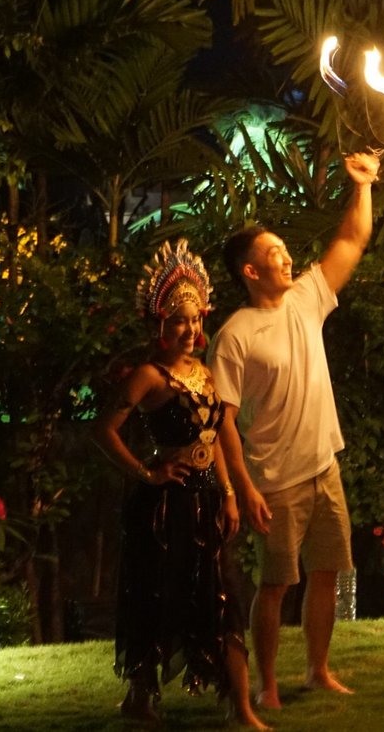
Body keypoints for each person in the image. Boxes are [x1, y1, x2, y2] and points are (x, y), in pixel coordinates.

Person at [208, 150, 381, 709]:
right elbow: (222, 421)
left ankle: (318, 670)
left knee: (327, 571)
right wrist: (243, 487)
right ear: (249, 272)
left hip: (323, 466)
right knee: (277, 584)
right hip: (275, 480)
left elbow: (351, 241)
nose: (287, 258)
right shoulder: (235, 336)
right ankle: (267, 686)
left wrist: (363, 186)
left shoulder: (305, 299)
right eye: (274, 254)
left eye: (285, 251)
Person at [91, 239, 266, 729]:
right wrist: (147, 472)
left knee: (223, 595)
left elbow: (218, 436)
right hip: (164, 510)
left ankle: (241, 706)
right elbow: (103, 430)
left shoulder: (204, 374)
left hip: (206, 502)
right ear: (160, 325)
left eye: (194, 319)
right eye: (179, 321)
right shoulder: (149, 377)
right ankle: (139, 697)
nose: (190, 329)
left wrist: (229, 494)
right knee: (157, 595)